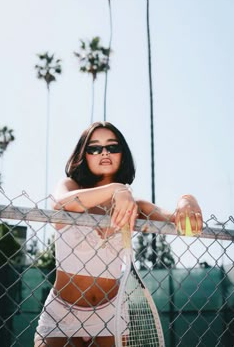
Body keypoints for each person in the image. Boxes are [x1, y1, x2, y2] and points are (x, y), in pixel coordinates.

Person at [34, 121, 203, 347]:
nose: (104, 152)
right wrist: (117, 189)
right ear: (84, 155)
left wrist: (187, 200)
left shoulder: (134, 206)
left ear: (122, 155)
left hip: (110, 315)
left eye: (112, 147)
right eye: (94, 148)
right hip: (62, 312)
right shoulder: (69, 186)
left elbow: (177, 220)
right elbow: (61, 203)